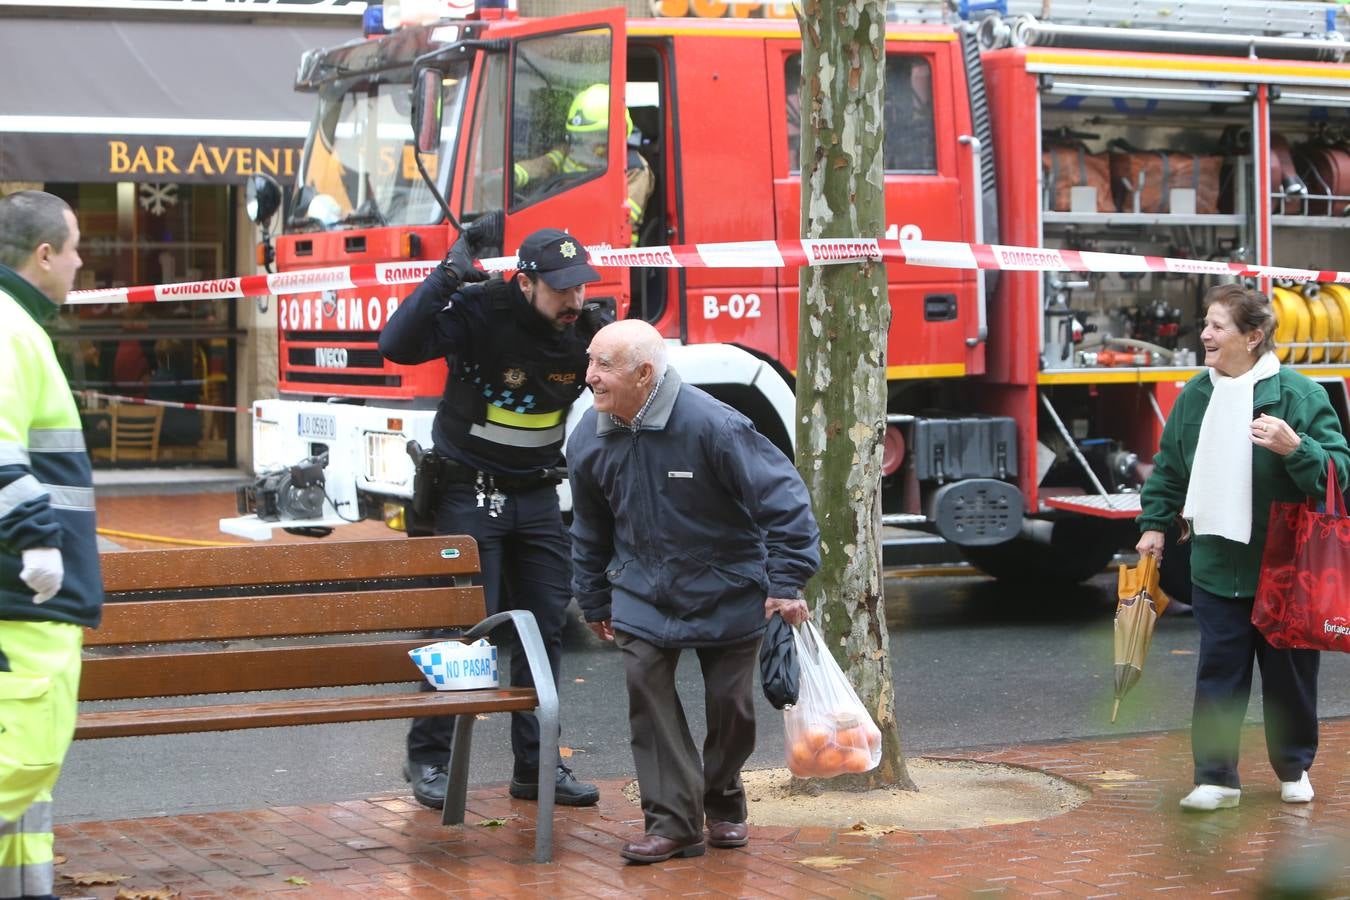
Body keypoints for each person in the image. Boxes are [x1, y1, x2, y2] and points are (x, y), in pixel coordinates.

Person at [568, 320, 821, 864]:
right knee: (647, 696)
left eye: (603, 365)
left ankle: (723, 802)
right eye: (590, 361)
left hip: (729, 587)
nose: (589, 376)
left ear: (643, 373)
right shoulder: (589, 436)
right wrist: (593, 596)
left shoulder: (715, 425)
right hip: (640, 591)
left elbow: (785, 503)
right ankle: (674, 824)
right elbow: (589, 527)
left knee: (731, 709)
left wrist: (784, 583)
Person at [378, 222, 607, 811]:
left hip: (535, 498)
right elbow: (397, 344)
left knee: (545, 629)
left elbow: (643, 376)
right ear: (524, 282)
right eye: (562, 290)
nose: (575, 301)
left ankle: (536, 766)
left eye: (581, 287)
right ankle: (430, 758)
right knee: (459, 631)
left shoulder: (584, 330)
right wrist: (447, 275)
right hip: (467, 494)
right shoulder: (479, 311)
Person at [1136, 283, 1349, 813]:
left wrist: (1296, 447)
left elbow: (1338, 472)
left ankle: (1294, 766)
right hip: (1215, 562)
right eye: (1205, 324)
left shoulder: (1299, 396)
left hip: (1285, 567)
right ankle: (1215, 779)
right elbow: (1170, 470)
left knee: (1289, 678)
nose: (1204, 335)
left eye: (1217, 326)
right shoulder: (1196, 397)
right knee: (1219, 673)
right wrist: (1155, 524)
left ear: (1253, 336)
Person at [0, 190, 105, 899]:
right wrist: (37, 545)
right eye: (72, 249)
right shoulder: (9, 328)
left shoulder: (18, 325)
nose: (79, 263)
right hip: (26, 595)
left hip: (32, 595)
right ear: (44, 255)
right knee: (21, 762)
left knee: (26, 796)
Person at [513, 84, 655, 245]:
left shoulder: (635, 168)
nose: (585, 143)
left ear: (617, 131)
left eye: (594, 135)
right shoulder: (571, 151)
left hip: (611, 252)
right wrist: (513, 175)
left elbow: (619, 218)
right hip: (566, 238)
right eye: (581, 137)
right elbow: (543, 165)